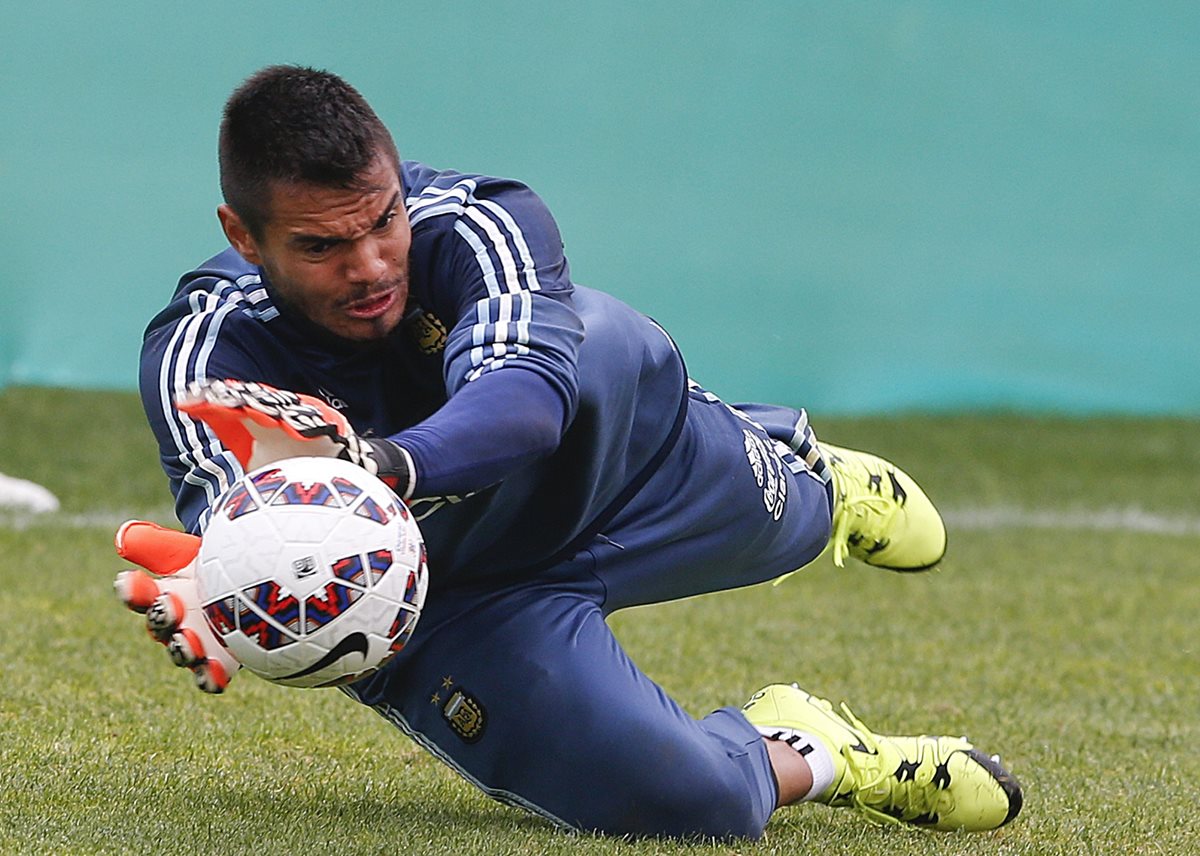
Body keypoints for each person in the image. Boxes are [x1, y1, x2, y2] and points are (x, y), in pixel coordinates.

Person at [117, 65, 1022, 839]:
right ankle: (820, 750)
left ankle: (807, 472)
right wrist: (223, 585)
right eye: (320, 246)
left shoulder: (481, 219)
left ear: (399, 182)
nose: (371, 267)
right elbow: (247, 527)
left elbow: (525, 403)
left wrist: (378, 466)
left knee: (595, 348)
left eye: (382, 221)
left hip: (610, 467)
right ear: (243, 235)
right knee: (691, 805)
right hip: (447, 598)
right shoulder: (204, 358)